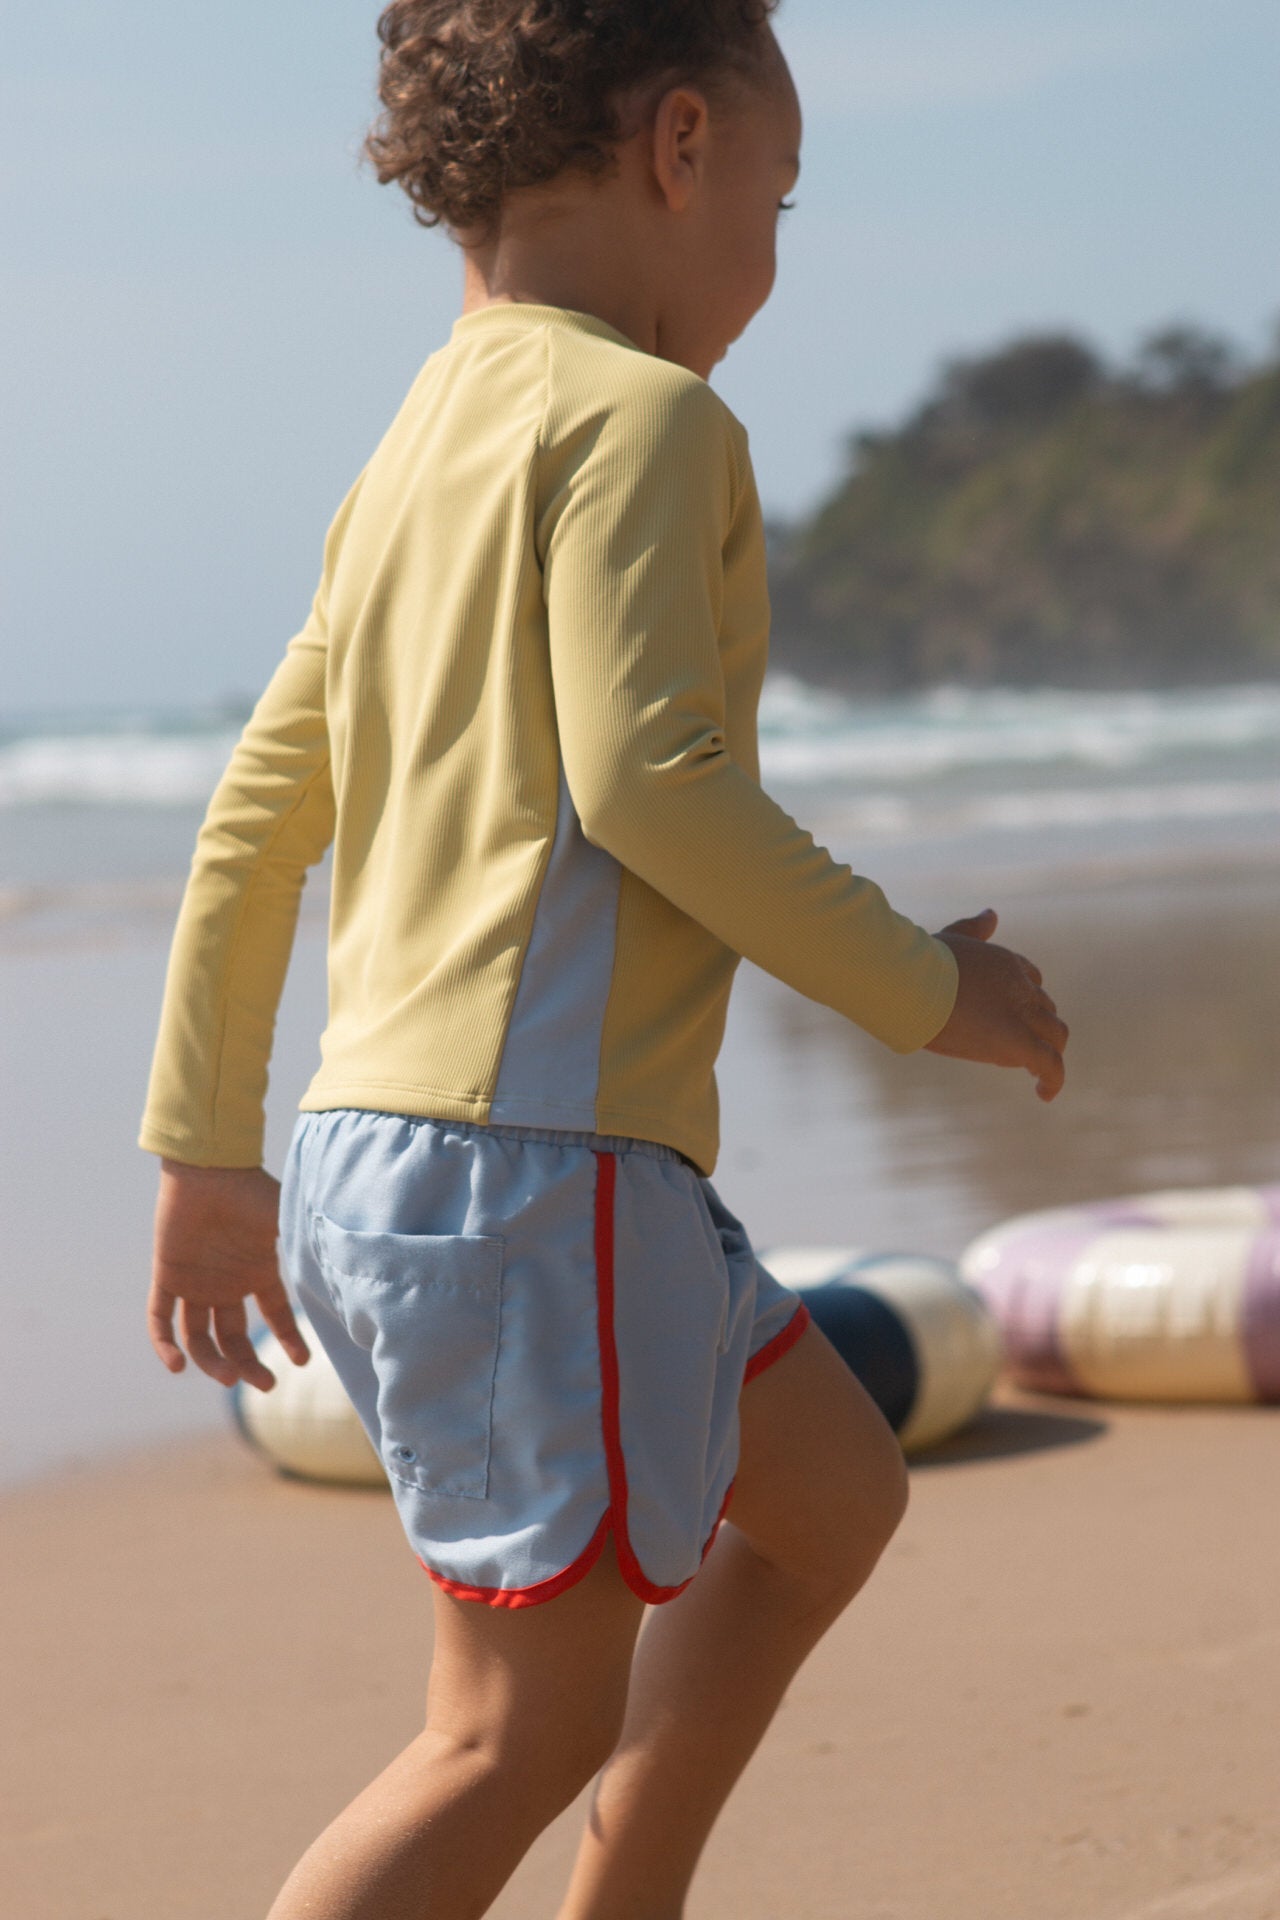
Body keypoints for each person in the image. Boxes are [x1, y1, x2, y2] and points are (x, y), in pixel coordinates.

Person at [140, 4, 1069, 1915]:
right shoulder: (647, 421)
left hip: (404, 1158)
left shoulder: (412, 448)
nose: (776, 258)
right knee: (506, 1731)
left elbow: (254, 822)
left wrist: (208, 1157)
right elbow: (656, 784)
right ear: (681, 146)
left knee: (828, 1501)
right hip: (538, 1180)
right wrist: (925, 987)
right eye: (782, 194)